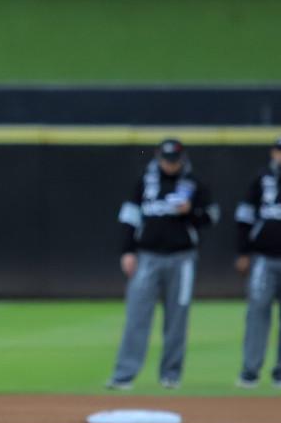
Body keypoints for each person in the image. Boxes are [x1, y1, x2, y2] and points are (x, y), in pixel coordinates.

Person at [106, 139, 219, 391]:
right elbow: (129, 217)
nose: (170, 165)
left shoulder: (195, 183)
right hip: (147, 256)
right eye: (166, 159)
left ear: (182, 158)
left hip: (182, 258)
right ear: (158, 157)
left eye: (174, 160)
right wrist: (127, 251)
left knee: (177, 318)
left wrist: (191, 211)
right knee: (136, 316)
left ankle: (171, 375)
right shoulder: (145, 181)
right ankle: (124, 375)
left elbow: (212, 216)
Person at [233, 138, 281, 389]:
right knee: (257, 312)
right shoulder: (261, 179)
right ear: (273, 153)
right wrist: (243, 252)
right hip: (264, 257)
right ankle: (250, 371)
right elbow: (244, 216)